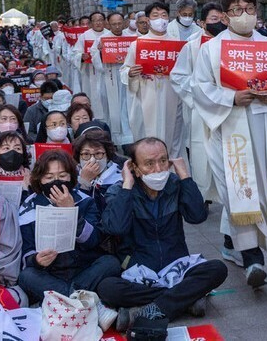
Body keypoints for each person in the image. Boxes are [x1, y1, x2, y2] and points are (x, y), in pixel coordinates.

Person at [191, 0, 267, 290]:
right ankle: (253, 258)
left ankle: (236, 244)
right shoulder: (212, 49)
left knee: (262, 192)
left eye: (250, 7)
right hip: (229, 129)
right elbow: (200, 87)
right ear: (226, 15)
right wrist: (231, 97)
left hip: (264, 126)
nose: (245, 14)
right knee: (237, 191)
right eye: (237, 9)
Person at [97, 138, 228, 334]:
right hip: (139, 271)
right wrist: (127, 185)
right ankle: (185, 299)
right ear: (135, 167)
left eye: (163, 161)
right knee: (107, 288)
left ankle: (149, 309)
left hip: (176, 267)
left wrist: (185, 177)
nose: (158, 169)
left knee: (218, 269)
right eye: (149, 163)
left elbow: (197, 216)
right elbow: (116, 228)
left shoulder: (175, 184)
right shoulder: (120, 190)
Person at [17, 149, 121, 304]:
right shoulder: (28, 206)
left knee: (110, 262)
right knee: (26, 276)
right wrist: (37, 260)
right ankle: (81, 301)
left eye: (62, 176)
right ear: (39, 179)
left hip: (84, 270)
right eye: (49, 177)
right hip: (50, 274)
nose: (56, 181)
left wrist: (71, 211)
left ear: (72, 176)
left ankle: (63, 301)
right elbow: (27, 251)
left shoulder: (85, 200)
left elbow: (93, 241)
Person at [170, 2, 224, 207]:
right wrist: (197, 95)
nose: (218, 23)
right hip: (200, 108)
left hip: (227, 107)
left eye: (221, 19)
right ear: (202, 23)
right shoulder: (192, 45)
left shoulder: (233, 44)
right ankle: (202, 197)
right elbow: (178, 76)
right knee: (201, 152)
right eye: (213, 20)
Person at [120, 2, 186, 159]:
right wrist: (130, 72)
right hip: (145, 97)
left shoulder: (178, 44)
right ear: (148, 20)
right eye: (155, 16)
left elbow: (186, 72)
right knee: (146, 136)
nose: (160, 19)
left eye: (164, 15)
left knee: (173, 137)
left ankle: (171, 172)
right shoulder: (138, 44)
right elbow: (124, 69)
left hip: (172, 97)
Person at [92, 12, 134, 147]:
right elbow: (95, 60)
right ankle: (113, 140)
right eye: (114, 24)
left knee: (127, 108)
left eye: (119, 23)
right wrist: (100, 52)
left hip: (126, 76)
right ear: (108, 24)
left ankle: (128, 139)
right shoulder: (103, 39)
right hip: (109, 76)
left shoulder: (131, 39)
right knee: (111, 108)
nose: (117, 27)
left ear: (124, 22)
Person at [74, 130, 123, 212]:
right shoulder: (71, 177)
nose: (92, 160)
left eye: (98, 154)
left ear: (107, 155)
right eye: (86, 154)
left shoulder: (120, 180)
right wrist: (84, 182)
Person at [71, 12, 108, 119]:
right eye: (95, 20)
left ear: (105, 21)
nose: (98, 23)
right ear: (91, 23)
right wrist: (81, 56)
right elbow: (75, 53)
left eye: (101, 20)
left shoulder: (109, 35)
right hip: (89, 71)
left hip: (106, 71)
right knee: (91, 94)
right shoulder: (84, 36)